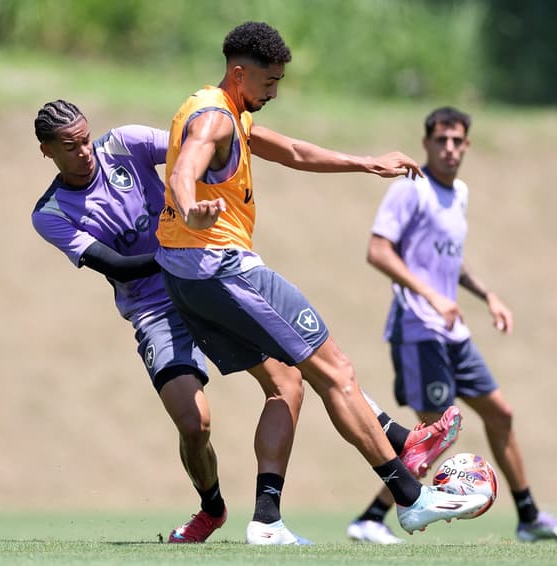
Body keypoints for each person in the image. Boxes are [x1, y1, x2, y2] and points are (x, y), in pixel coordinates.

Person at [30, 99, 464, 545]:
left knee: (292, 379)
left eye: (86, 138)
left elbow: (197, 153)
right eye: (70, 146)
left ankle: (272, 515)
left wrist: (357, 162)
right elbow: (117, 266)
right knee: (194, 425)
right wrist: (178, 249)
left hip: (204, 281)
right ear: (47, 151)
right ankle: (212, 509)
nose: (85, 151)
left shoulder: (124, 143)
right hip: (156, 309)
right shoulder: (51, 214)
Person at [155, 20, 491, 541]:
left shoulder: (219, 108)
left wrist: (366, 163)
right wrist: (188, 204)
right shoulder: (215, 121)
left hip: (188, 279)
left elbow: (290, 151)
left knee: (287, 382)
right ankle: (412, 495)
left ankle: (267, 521)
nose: (275, 91)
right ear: (240, 73)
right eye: (269, 82)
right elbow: (185, 168)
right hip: (223, 270)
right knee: (336, 369)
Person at [347, 106, 557, 543]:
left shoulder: (459, 194)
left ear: (467, 145)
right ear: (426, 144)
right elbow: (378, 251)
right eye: (441, 140)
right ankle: (370, 518)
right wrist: (432, 295)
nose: (450, 148)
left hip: (453, 333)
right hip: (418, 330)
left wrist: (487, 295)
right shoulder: (410, 189)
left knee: (501, 414)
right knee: (435, 435)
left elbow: (449, 262)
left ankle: (529, 517)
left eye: (458, 141)